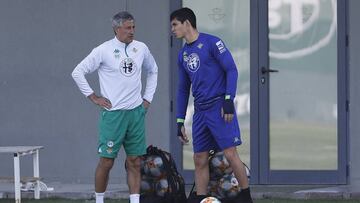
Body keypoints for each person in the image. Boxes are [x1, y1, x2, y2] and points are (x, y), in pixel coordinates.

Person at [71, 11, 158, 203]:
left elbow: (153, 70)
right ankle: (99, 200)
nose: (132, 31)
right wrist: (93, 97)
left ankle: (135, 201)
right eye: (128, 28)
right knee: (106, 161)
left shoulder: (141, 48)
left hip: (136, 113)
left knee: (135, 161)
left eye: (133, 27)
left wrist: (147, 99)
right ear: (116, 28)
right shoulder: (103, 50)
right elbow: (78, 72)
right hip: (113, 115)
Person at [170, 8, 253, 203]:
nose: (172, 29)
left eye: (175, 24)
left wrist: (228, 100)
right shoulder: (183, 54)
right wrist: (180, 120)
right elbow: (183, 89)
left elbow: (231, 70)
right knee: (199, 158)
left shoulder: (212, 43)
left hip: (219, 108)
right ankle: (202, 198)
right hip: (200, 112)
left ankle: (246, 197)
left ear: (187, 23)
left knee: (231, 154)